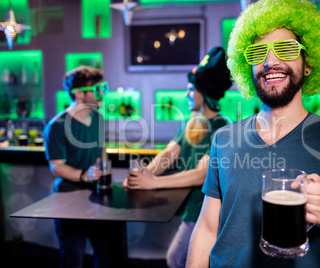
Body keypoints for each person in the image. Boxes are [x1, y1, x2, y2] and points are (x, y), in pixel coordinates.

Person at [186, 0, 320, 267]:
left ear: (308, 64)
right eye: (257, 52)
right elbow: (206, 228)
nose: (270, 61)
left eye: (285, 49)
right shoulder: (224, 139)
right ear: (246, 66)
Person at [123, 47, 233, 268]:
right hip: (190, 207)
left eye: (191, 90)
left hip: (205, 209)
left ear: (205, 93)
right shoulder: (192, 123)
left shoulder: (222, 126)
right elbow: (169, 153)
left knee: (177, 259)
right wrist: (143, 175)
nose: (186, 95)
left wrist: (154, 182)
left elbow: (203, 174)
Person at [43, 66, 109, 268]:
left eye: (103, 88)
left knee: (106, 254)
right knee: (74, 259)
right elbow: (57, 167)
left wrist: (104, 172)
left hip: (97, 195)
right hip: (69, 198)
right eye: (97, 89)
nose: (102, 94)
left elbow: (102, 150)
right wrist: (83, 175)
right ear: (79, 93)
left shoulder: (98, 118)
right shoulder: (57, 126)